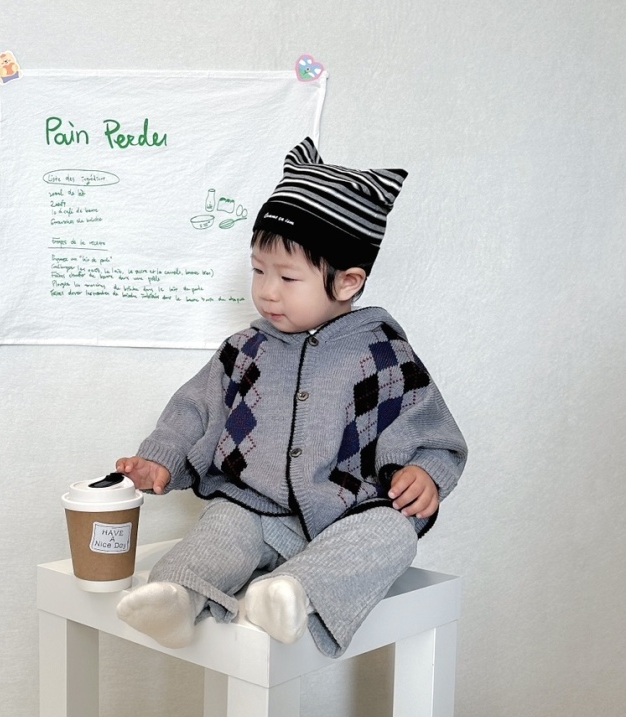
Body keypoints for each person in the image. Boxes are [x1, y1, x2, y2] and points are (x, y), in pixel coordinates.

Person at [115, 138, 468, 658]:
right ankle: (176, 596)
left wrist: (425, 473)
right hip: (257, 510)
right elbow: (196, 409)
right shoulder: (247, 350)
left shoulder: (382, 355)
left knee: (394, 534)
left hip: (349, 516)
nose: (267, 291)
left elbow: (432, 432)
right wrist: (161, 459)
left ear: (347, 282)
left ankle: (293, 593)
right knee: (221, 529)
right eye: (259, 271)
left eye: (287, 277)